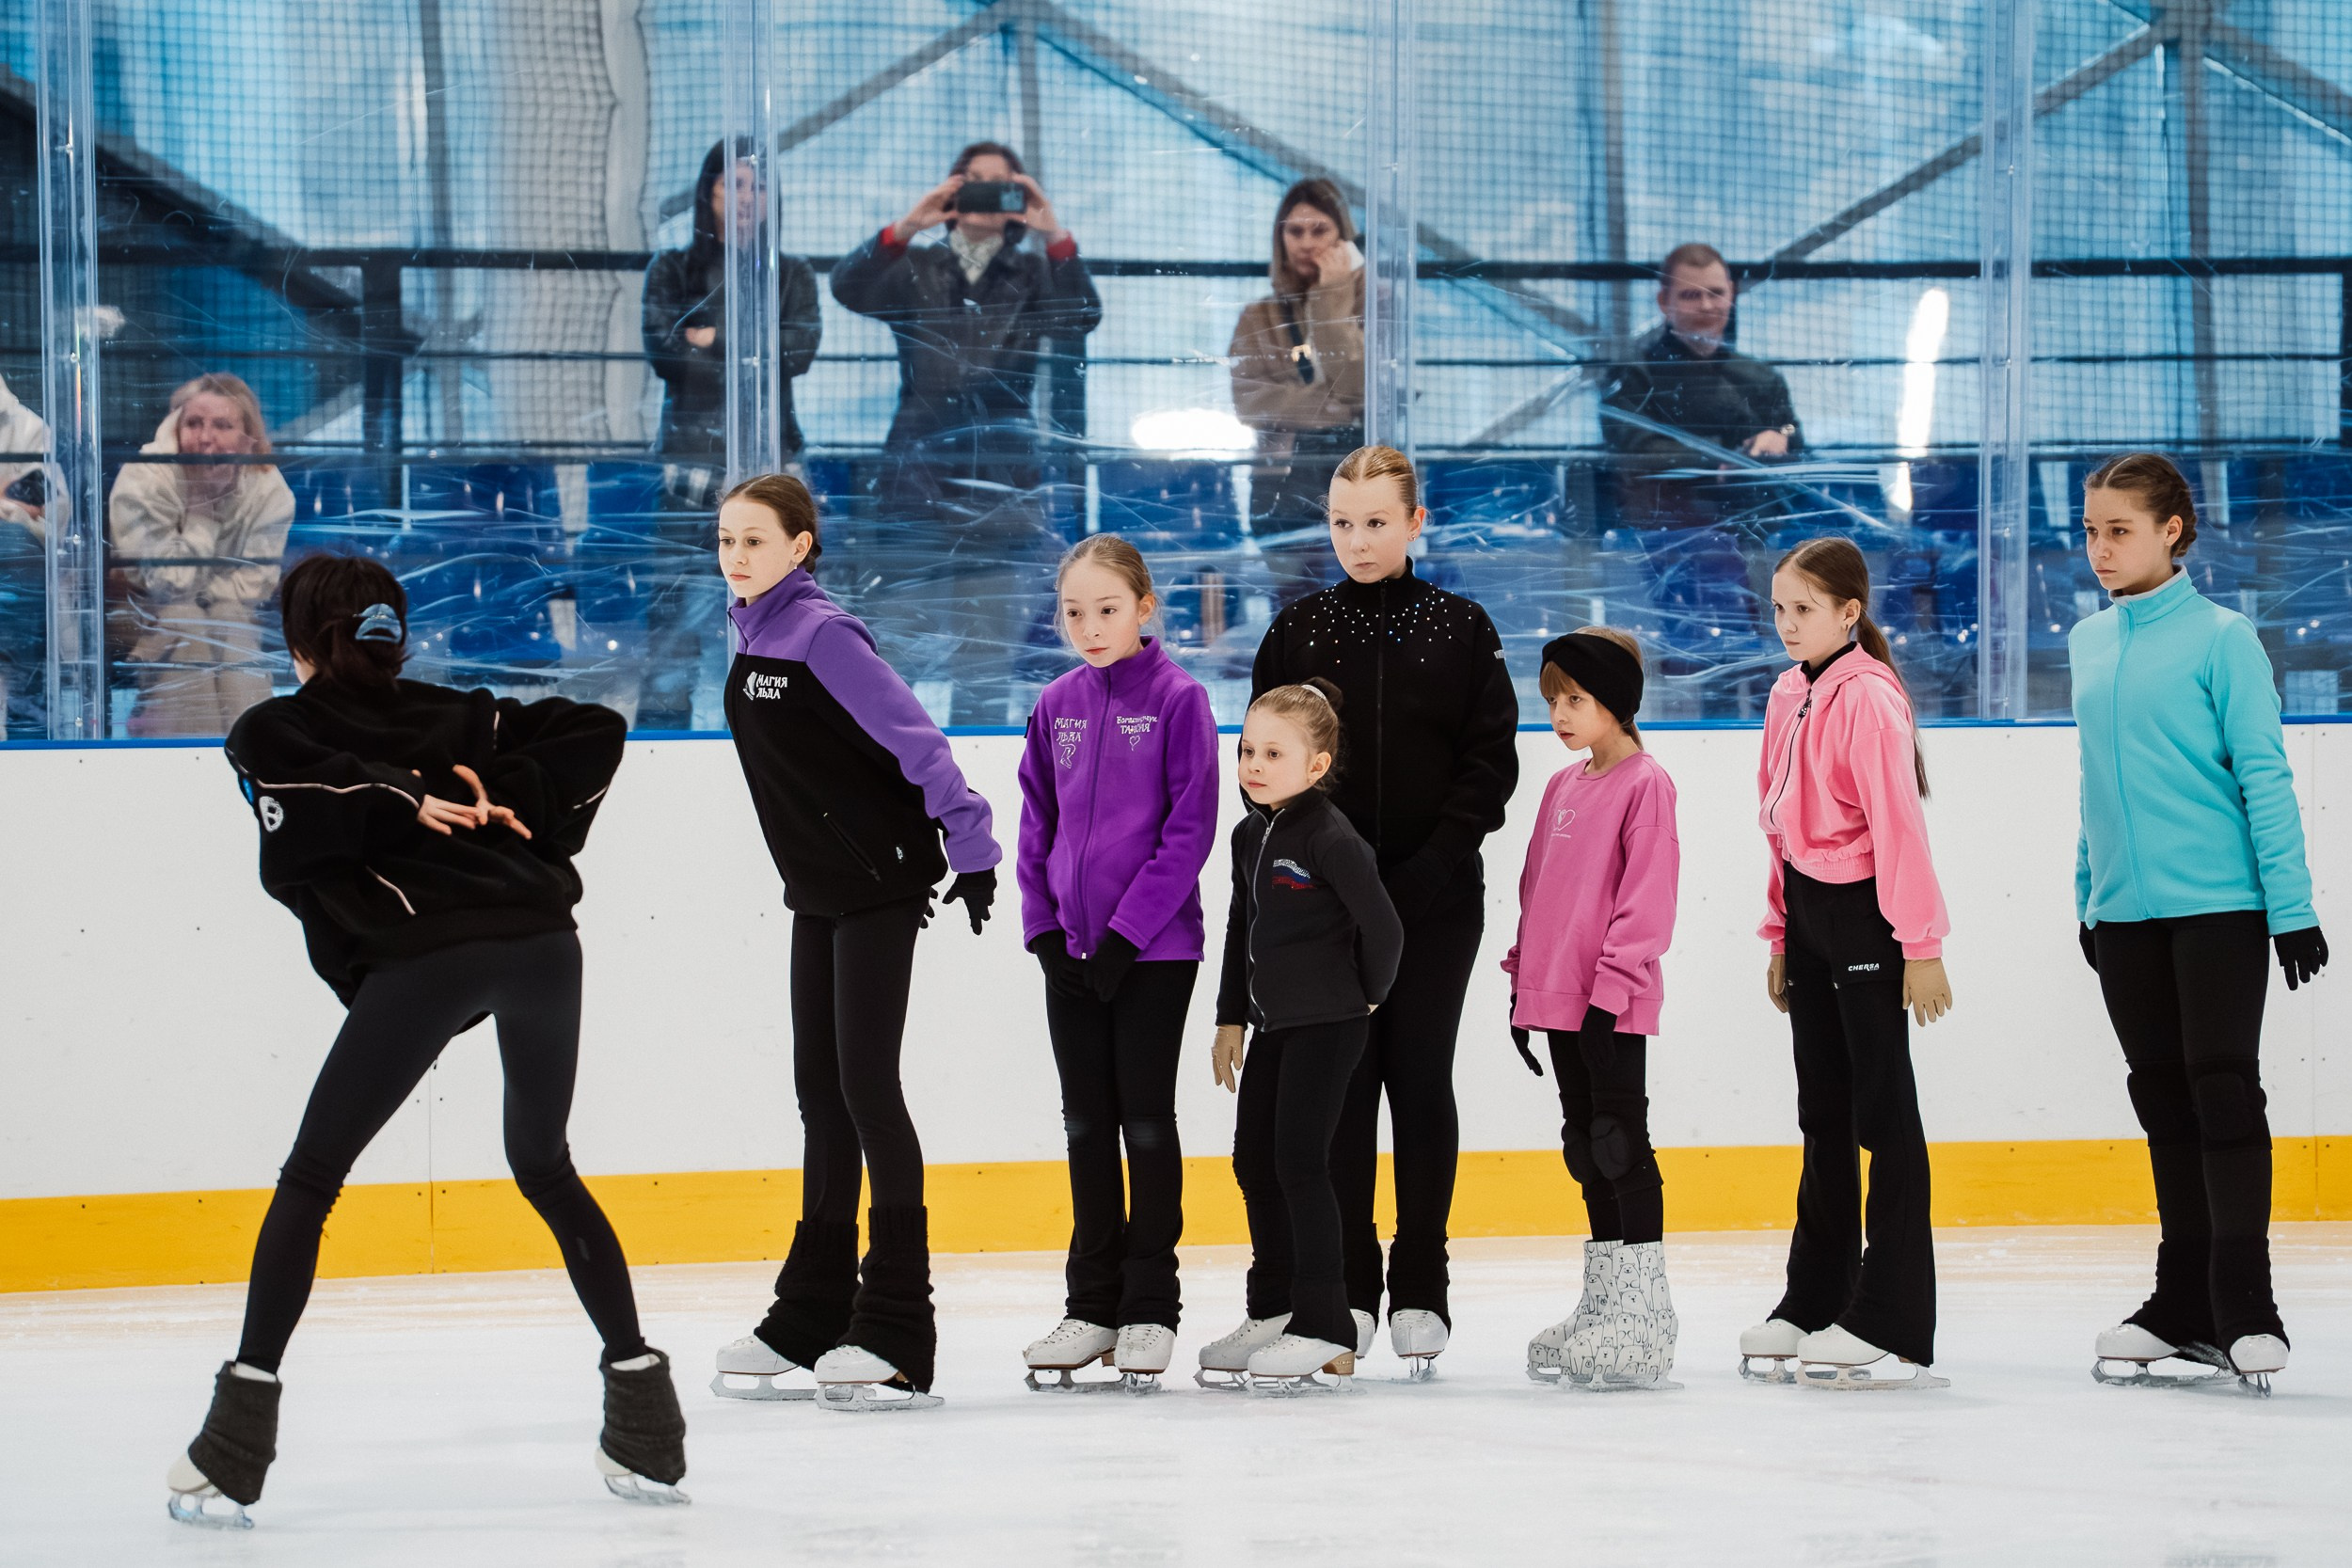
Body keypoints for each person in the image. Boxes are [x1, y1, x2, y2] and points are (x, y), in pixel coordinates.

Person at [167, 555, 683, 1528]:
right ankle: (647, 1417)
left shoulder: (284, 722)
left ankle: (234, 1441)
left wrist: (485, 787)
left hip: (430, 957)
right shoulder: (453, 716)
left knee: (310, 1180)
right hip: (542, 950)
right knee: (544, 1163)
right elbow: (596, 727)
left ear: (295, 638)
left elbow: (282, 773)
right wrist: (415, 788)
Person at [707, 472, 999, 1412]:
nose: (737, 556)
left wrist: (974, 842)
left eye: (755, 539)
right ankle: (813, 1311)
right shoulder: (747, 628)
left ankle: (898, 1327)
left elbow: (917, 741)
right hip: (819, 887)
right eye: (725, 540)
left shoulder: (825, 634)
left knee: (867, 1087)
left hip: (879, 880)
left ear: (800, 545)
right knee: (819, 1092)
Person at [1248, 444, 1519, 1374]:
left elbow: (1489, 767)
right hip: (1323, 913)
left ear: (1414, 522)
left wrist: (1418, 876)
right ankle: (1352, 1282)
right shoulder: (1297, 630)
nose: (1356, 539)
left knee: (1416, 1072)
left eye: (1374, 521)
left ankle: (1422, 1278)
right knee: (1341, 1086)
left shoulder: (1459, 626)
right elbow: (1266, 765)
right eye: (1339, 521)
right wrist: (1327, 883)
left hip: (1436, 901)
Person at [2071, 452, 2327, 1394]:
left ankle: (2245, 1305)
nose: (2100, 548)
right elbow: (2097, 784)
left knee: (2222, 1093)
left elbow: (2263, 774)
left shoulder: (2225, 640)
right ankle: (2179, 1304)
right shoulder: (2090, 643)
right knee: (2161, 1098)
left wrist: (2290, 908)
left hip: (2220, 903)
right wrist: (2086, 893)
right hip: (2126, 913)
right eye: (2092, 529)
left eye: (2119, 530)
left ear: (2172, 528)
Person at [1740, 536, 1953, 1390]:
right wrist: (1780, 930)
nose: (1788, 624)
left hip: (1868, 917)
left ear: (1849, 613)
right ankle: (1814, 1295)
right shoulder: (1789, 691)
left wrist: (1921, 946)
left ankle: (1891, 1317)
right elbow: (1777, 822)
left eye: (1804, 609)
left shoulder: (1868, 698)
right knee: (1822, 1111)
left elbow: (1899, 825)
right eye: (1780, 608)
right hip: (1810, 914)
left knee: (1883, 1116)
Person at [1014, 535, 1220, 1392]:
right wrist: (1046, 932)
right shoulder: (1055, 703)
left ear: (1144, 607)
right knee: (1085, 1126)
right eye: (1074, 612)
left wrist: (1130, 933)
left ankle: (1149, 1306)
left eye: (1107, 609)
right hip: (1071, 955)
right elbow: (1035, 825)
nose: (1090, 627)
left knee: (1143, 1122)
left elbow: (1189, 830)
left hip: (1154, 954)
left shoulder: (1180, 700)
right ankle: (1091, 1302)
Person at [829, 141, 1102, 725]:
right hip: (916, 476)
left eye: (998, 185)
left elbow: (1082, 318)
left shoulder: (1032, 273)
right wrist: (910, 224)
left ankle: (976, 786)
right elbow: (846, 287)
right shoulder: (917, 266)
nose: (982, 197)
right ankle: (890, 783)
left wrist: (1052, 232)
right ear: (951, 193)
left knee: (986, 658)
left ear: (1016, 199)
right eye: (970, 183)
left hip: (1002, 482)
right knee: (895, 650)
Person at [1196, 678, 1403, 1389]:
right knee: (1254, 1160)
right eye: (1247, 749)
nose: (1253, 764)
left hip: (1329, 1024)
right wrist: (1230, 1015)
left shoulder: (1328, 835)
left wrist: (1367, 997)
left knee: (1300, 1164)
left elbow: (1384, 927)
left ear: (1316, 765)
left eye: (1273, 753)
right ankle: (1275, 1307)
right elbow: (1237, 928)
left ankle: (1326, 1323)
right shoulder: (1250, 834)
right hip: (1273, 1025)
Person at [1506, 627, 1682, 1390]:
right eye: (1553, 700)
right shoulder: (1562, 786)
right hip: (1558, 997)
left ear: (1617, 702)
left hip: (1611, 1000)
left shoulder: (1646, 783)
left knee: (1618, 1142)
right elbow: (1537, 888)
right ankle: (1605, 1302)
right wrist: (1523, 986)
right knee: (1584, 1144)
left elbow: (1647, 901)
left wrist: (1611, 993)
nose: (1561, 713)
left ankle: (1645, 1320)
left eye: (1575, 698)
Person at [636, 140, 824, 731]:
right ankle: (660, 756)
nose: (746, 199)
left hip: (776, 472)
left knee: (783, 633)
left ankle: (778, 748)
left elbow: (797, 352)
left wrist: (711, 339)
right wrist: (747, 346)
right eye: (732, 186)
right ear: (708, 193)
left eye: (757, 186)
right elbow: (666, 354)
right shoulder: (672, 268)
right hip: (693, 472)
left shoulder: (791, 273)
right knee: (675, 632)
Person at [108, 372, 294, 737]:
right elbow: (164, 584)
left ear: (247, 435)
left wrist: (205, 598)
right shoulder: (143, 477)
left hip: (228, 611)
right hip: (139, 610)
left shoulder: (270, 489)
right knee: (187, 621)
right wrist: (201, 511)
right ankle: (195, 753)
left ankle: (255, 749)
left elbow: (255, 583)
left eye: (222, 426)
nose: (206, 437)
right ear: (175, 426)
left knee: (227, 623)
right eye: (194, 423)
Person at [1229, 178, 1363, 606]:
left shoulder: (1375, 306)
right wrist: (1338, 405)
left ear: (1343, 237)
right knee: (1293, 609)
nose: (1306, 243)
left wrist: (1331, 299)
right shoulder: (1257, 316)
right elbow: (1249, 402)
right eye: (1294, 231)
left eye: (1320, 230)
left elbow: (1360, 386)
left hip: (1357, 482)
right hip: (1280, 484)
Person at [0, 372, 47, 736]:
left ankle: (17, 699)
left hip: (13, 576)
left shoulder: (31, 431)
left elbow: (51, 522)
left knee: (13, 542)